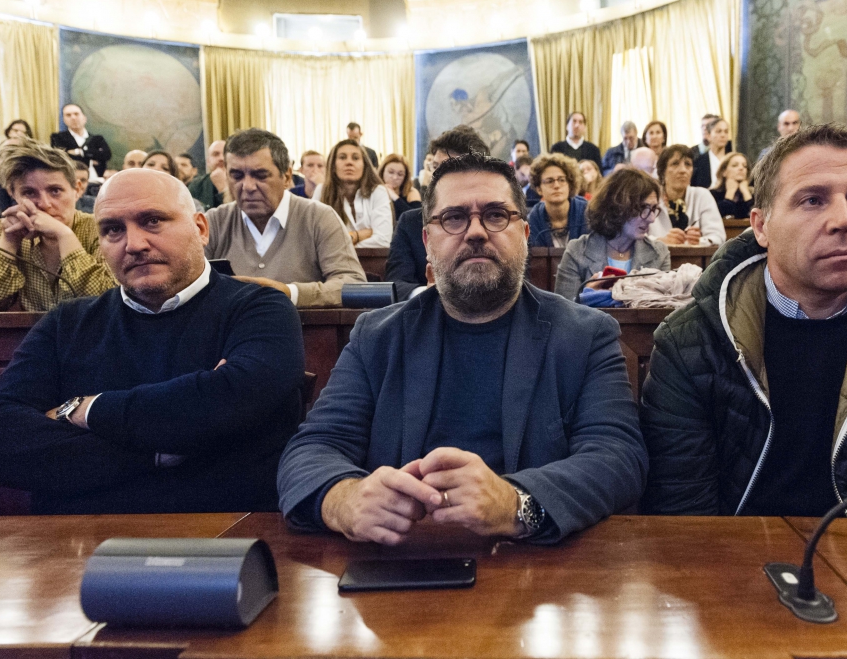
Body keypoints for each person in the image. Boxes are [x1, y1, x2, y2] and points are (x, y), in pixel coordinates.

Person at [276, 152, 647, 544]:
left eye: (495, 215)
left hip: (536, 562)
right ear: (427, 241)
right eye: (453, 218)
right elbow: (312, 450)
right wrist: (344, 499)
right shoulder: (377, 336)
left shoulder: (586, 335)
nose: (475, 232)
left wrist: (516, 503)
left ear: (524, 235)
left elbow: (618, 457)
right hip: (402, 556)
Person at [640, 123, 847, 519]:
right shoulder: (691, 340)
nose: (844, 220)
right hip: (737, 550)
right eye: (812, 200)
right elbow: (684, 515)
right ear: (761, 226)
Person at [0, 168, 305, 514]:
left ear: (200, 229)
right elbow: (1, 434)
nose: (134, 244)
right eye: (113, 229)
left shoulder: (260, 308)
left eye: (153, 221)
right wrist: (157, 453)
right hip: (72, 536)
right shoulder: (66, 322)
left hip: (223, 530)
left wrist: (84, 409)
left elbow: (235, 398)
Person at [204, 128, 366, 307]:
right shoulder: (214, 223)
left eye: (260, 175)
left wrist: (290, 293)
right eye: (237, 176)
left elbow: (353, 284)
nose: (247, 186)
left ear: (287, 176)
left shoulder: (318, 218)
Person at [0, 140, 115, 311]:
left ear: (77, 190)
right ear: (12, 194)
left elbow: (106, 303)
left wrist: (64, 235)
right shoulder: (7, 230)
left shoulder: (101, 229)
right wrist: (9, 243)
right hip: (31, 329)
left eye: (55, 191)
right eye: (29, 193)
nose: (44, 204)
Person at [386, 127, 491, 300]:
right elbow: (397, 284)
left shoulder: (500, 222)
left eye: (448, 168)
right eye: (435, 167)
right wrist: (428, 294)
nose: (436, 176)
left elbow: (516, 283)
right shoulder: (410, 222)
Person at [554, 167, 670, 302]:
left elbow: (663, 309)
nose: (652, 219)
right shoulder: (577, 251)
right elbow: (561, 310)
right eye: (643, 208)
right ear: (617, 207)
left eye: (654, 209)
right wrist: (587, 297)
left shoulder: (659, 254)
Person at [315, 139, 394, 248]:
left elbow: (383, 241)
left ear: (364, 165)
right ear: (333, 165)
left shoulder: (378, 192)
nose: (349, 162)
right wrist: (361, 235)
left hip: (371, 259)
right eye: (342, 157)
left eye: (355, 158)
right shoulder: (322, 191)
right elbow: (315, 240)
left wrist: (345, 243)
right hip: (331, 259)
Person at [648, 144, 725, 246]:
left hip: (696, 256)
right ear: (662, 172)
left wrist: (699, 241)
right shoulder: (650, 197)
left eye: (688, 164)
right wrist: (662, 241)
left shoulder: (702, 195)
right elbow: (637, 237)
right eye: (675, 164)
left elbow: (718, 237)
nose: (683, 170)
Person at [527, 153, 588, 247]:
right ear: (539, 189)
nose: (556, 185)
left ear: (570, 185)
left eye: (562, 180)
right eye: (549, 181)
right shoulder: (533, 219)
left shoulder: (588, 213)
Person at [50, 104, 111, 177]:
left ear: (84, 118)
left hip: (97, 179)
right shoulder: (58, 138)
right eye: (68, 115)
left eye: (76, 114)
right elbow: (60, 157)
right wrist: (92, 159)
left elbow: (107, 155)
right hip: (71, 178)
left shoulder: (97, 139)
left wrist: (79, 152)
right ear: (64, 120)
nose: (73, 118)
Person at [709, 152, 754, 219]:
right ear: (724, 171)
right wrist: (730, 192)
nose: (741, 168)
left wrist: (746, 192)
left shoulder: (754, 194)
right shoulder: (712, 194)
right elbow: (713, 217)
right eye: (735, 165)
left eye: (745, 166)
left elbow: (758, 216)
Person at [378, 153, 422, 221]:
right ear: (382, 172)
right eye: (391, 172)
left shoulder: (411, 192)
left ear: (405, 177)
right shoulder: (375, 191)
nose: (395, 177)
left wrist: (394, 196)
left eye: (400, 174)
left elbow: (417, 219)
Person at [188, 140, 229, 210]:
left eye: (225, 154)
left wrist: (223, 190)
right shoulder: (196, 185)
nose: (221, 158)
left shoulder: (240, 182)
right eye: (216, 154)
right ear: (208, 161)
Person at [692, 117, 731, 188]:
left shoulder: (733, 160)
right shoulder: (698, 163)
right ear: (708, 136)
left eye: (726, 132)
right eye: (718, 131)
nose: (723, 135)